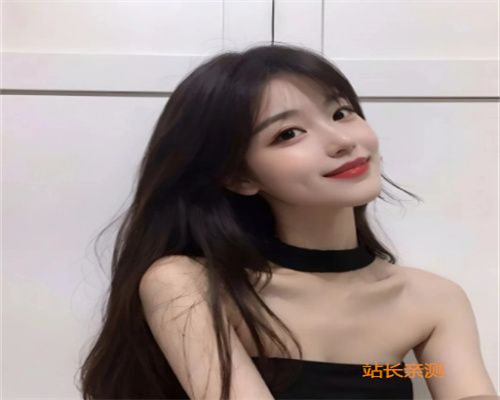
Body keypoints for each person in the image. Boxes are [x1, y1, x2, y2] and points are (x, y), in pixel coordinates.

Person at [78, 44, 497, 399]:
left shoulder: (432, 300)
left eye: (341, 112)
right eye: (288, 133)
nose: (342, 141)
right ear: (239, 177)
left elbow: (423, 376)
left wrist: (396, 373)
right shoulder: (191, 285)